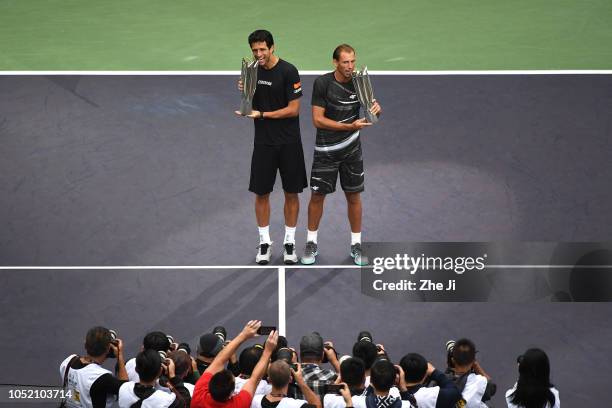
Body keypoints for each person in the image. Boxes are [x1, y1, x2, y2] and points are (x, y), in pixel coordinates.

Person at [300, 43, 382, 266]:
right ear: (335, 62)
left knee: (353, 196)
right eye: (345, 62)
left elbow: (372, 111)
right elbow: (318, 120)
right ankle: (311, 243)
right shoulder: (323, 83)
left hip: (352, 152)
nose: (350, 66)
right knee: (317, 196)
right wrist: (348, 127)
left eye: (353, 61)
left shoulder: (360, 81)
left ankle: (356, 244)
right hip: (326, 151)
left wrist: (376, 111)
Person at [236, 29, 307, 265]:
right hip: (264, 143)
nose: (259, 54)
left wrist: (262, 114)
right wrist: (245, 91)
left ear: (272, 47)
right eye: (255, 50)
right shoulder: (252, 72)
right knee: (261, 193)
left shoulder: (288, 71)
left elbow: (293, 109)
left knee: (291, 193)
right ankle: (265, 242)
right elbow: (250, 102)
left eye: (262, 49)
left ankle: (289, 243)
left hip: (289, 142)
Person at [191, 320, 278, 408]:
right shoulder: (238, 404)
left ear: (209, 385)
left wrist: (267, 351)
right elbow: (254, 379)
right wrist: (267, 351)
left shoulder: (198, 396)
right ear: (231, 394)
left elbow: (219, 361)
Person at [59, 326, 128, 407]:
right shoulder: (103, 378)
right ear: (107, 349)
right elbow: (125, 390)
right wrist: (120, 356)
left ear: (85, 344)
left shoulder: (68, 361)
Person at [118, 349, 191, 407]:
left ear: (136, 369)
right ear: (160, 371)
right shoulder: (164, 400)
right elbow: (185, 402)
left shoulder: (124, 388)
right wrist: (172, 376)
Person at [444, 339, 496, 407]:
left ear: (453, 360)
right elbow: (491, 388)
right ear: (472, 361)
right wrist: (476, 365)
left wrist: (450, 364)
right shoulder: (479, 382)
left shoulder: (441, 384)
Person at [250, 360, 322, 408]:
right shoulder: (296, 405)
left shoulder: (254, 400)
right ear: (290, 379)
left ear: (269, 380)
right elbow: (317, 406)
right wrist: (301, 382)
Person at [292, 332, 339, 400]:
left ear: (299, 353)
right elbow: (348, 384)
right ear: (323, 355)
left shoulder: (289, 378)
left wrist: (293, 364)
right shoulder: (331, 377)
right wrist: (334, 361)